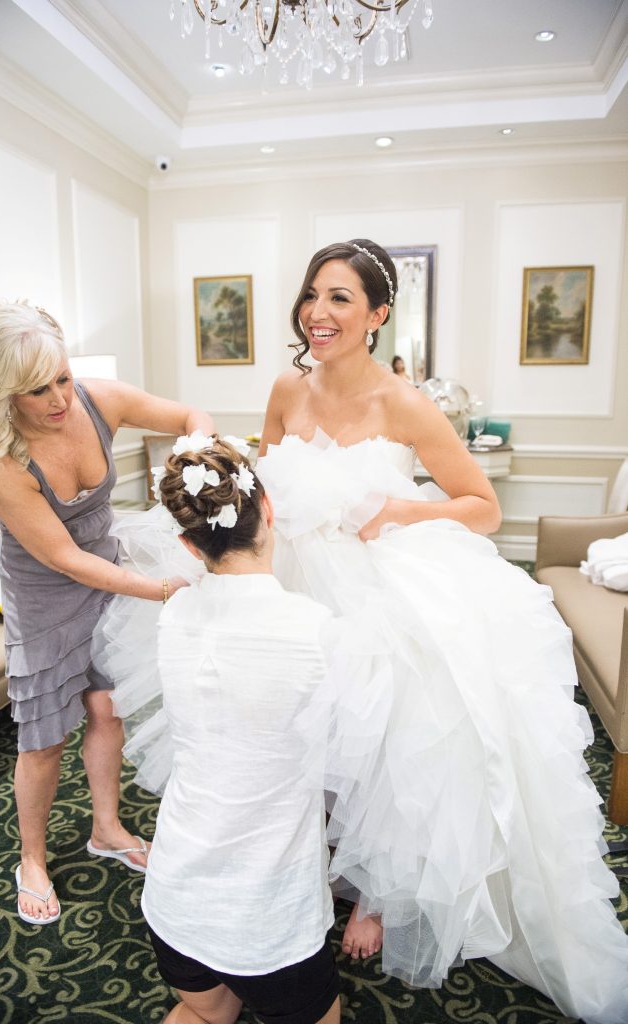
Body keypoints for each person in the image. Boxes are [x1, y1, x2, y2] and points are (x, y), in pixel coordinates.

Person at [254, 239, 628, 1024]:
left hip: (380, 578)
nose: (318, 313)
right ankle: (316, 859)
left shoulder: (406, 403)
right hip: (294, 580)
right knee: (306, 730)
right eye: (312, 295)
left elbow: (482, 506)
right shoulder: (286, 386)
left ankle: (380, 890)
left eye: (341, 299)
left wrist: (403, 509)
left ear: (378, 315)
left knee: (396, 733)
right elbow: (264, 481)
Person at [0, 300, 214, 926]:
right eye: (37, 389)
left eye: (61, 376)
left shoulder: (95, 399)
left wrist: (195, 460)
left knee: (106, 709)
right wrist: (157, 590)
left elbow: (190, 414)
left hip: (111, 572)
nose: (59, 398)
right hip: (49, 595)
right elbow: (63, 558)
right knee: (44, 740)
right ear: (3, 394)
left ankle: (105, 828)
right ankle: (31, 858)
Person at [138, 434, 341, 1024]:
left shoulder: (173, 614)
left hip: (174, 905)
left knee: (208, 1014)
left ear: (185, 542)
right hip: (268, 916)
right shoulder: (316, 629)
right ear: (269, 510)